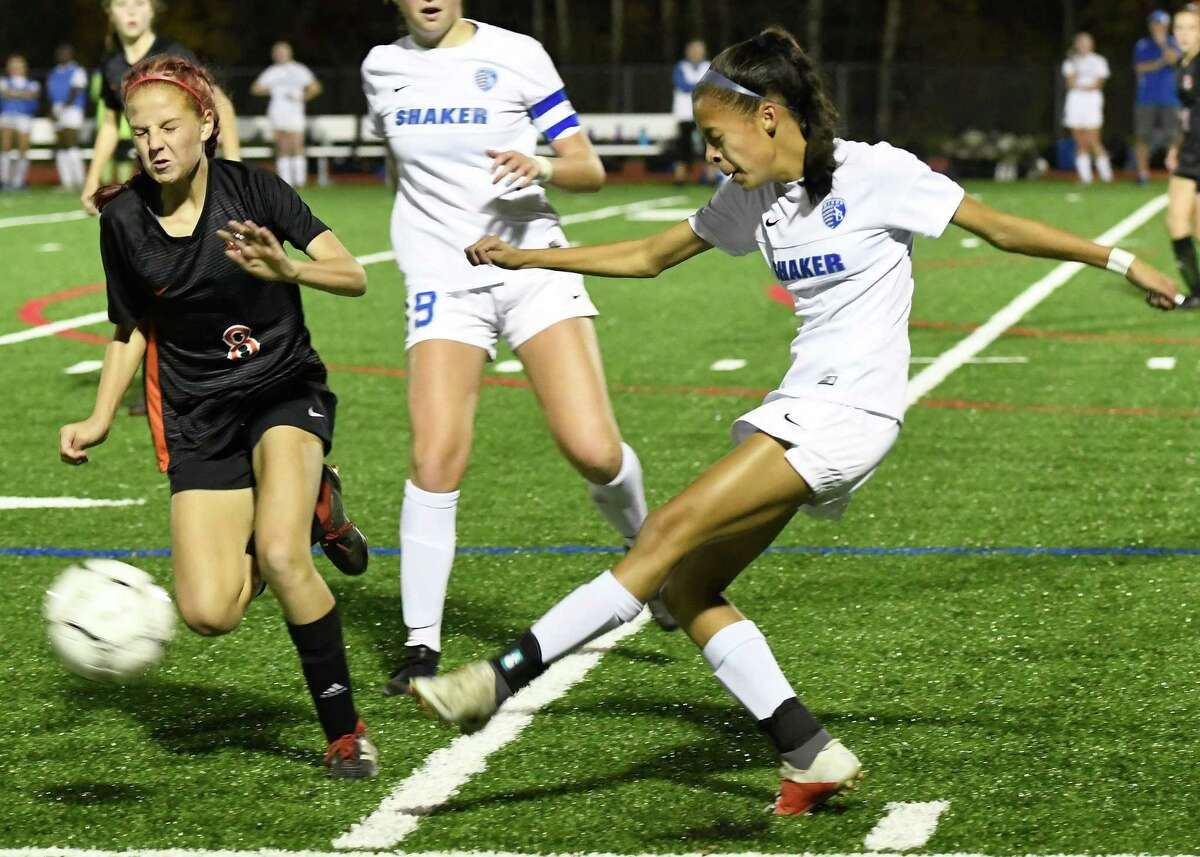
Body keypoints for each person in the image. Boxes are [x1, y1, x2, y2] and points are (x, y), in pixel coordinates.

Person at [408, 26, 1186, 816]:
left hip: (849, 408)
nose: (712, 155)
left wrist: (1122, 261)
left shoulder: (876, 172)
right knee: (689, 584)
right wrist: (530, 258)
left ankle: (498, 677)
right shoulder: (750, 197)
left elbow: (1000, 227)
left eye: (717, 137)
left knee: (663, 531)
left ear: (771, 116)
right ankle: (808, 751)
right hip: (803, 400)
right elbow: (648, 255)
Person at [58, 54, 376, 777]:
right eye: (141, 133)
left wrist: (289, 269)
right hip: (198, 413)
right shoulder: (124, 220)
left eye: (169, 126)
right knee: (209, 611)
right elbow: (128, 325)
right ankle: (311, 503)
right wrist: (101, 415)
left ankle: (343, 730)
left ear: (206, 123)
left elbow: (352, 274)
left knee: (283, 554)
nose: (155, 143)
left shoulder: (256, 190)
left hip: (282, 389)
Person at [362, 0, 656, 698]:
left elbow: (589, 168)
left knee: (593, 450)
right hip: (445, 280)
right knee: (435, 454)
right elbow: (398, 172)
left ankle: (654, 557)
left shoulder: (518, 54)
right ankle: (420, 644)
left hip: (531, 266)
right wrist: (422, 243)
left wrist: (543, 166)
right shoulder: (382, 68)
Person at [81, 0, 241, 214]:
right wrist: (92, 180)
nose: (131, 12)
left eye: (139, 4)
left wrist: (234, 168)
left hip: (193, 177)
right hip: (152, 174)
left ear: (153, 10)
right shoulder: (111, 63)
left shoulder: (173, 54)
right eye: (121, 5)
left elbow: (221, 104)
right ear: (109, 13)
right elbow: (110, 124)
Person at [251, 41, 321, 187]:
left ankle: (300, 181)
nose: (280, 54)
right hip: (277, 112)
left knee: (296, 145)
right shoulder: (272, 71)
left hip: (295, 113)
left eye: (283, 51)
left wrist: (302, 97)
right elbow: (255, 88)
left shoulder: (299, 69)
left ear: (290, 53)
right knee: (282, 146)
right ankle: (286, 182)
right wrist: (272, 90)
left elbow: (315, 87)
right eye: (277, 52)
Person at [1167, 5, 1200, 302]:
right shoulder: (1182, 63)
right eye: (1179, 28)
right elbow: (1186, 114)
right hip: (1191, 153)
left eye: (1191, 28)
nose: (1184, 34)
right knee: (1177, 222)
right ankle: (1198, 291)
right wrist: (1176, 147)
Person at [1134, 10, 1181, 184]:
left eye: (1161, 24)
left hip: (1171, 97)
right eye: (1155, 23)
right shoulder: (1142, 44)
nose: (1157, 27)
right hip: (1146, 98)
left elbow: (1175, 59)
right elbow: (1140, 67)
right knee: (1142, 136)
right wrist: (1160, 62)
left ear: (1167, 26)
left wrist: (1163, 46)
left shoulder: (1174, 42)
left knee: (1173, 136)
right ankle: (1142, 174)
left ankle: (1174, 173)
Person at [1062, 32, 1112, 184]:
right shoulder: (1070, 62)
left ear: (1092, 44)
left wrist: (1083, 86)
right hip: (1075, 101)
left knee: (1093, 139)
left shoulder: (1099, 61)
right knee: (1079, 140)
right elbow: (1070, 83)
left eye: (1086, 42)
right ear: (1076, 45)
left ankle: (1106, 176)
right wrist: (1078, 74)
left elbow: (1098, 83)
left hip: (1091, 102)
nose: (1083, 45)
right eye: (1080, 42)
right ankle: (1085, 177)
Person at [672, 38, 715, 184]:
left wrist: (699, 86)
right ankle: (680, 179)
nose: (696, 53)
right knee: (683, 147)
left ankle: (710, 178)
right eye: (693, 50)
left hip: (705, 113)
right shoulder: (681, 66)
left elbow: (712, 85)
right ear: (688, 51)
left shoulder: (709, 66)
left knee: (708, 145)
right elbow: (682, 85)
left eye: (699, 50)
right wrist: (701, 86)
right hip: (684, 114)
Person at [48, 44, 90, 191]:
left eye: (65, 52)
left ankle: (80, 180)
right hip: (57, 110)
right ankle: (66, 182)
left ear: (71, 54)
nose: (62, 55)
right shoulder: (54, 72)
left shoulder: (78, 70)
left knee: (71, 143)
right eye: (59, 52)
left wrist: (62, 108)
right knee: (61, 146)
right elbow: (51, 95)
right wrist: (53, 111)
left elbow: (76, 91)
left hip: (72, 110)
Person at [0, 54, 40, 191]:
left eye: (19, 65)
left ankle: (19, 181)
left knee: (23, 149)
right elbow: (5, 93)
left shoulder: (32, 83)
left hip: (24, 117)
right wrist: (22, 95)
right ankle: (4, 180)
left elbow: (32, 95)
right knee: (5, 147)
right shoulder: (4, 81)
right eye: (13, 65)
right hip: (7, 115)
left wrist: (13, 94)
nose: (16, 68)